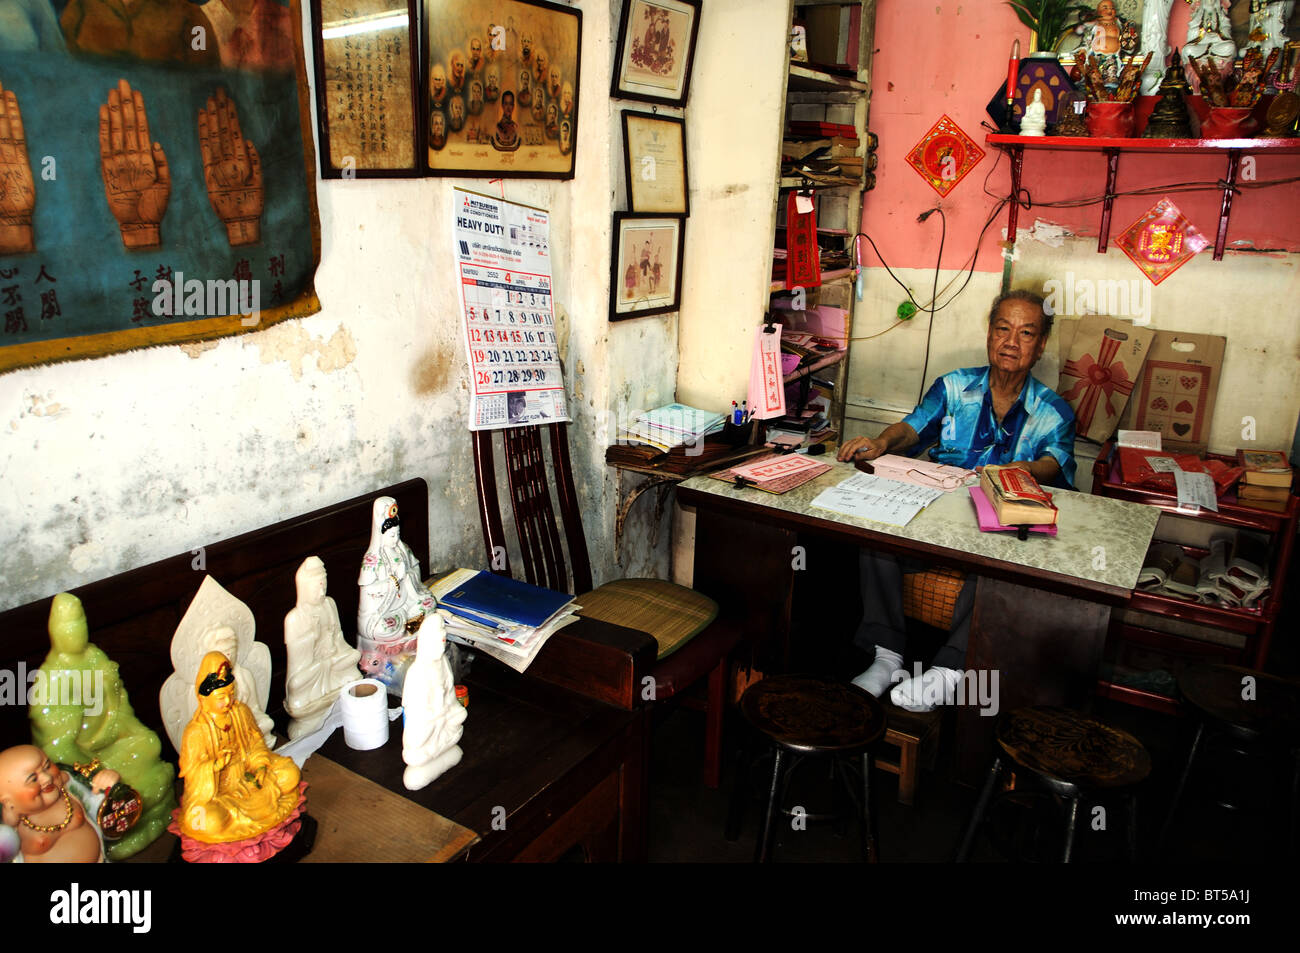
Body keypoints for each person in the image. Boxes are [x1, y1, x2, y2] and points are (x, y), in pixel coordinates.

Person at [837, 290, 1076, 710]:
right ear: (989, 333)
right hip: (934, 520)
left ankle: (949, 669)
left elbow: (1053, 465)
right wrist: (880, 442)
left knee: (1009, 559)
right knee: (876, 532)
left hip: (993, 531)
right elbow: (912, 429)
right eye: (1002, 328)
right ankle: (887, 654)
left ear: (1040, 348)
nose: (1011, 341)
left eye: (1025, 333)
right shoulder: (953, 386)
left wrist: (1012, 472)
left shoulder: (1054, 411)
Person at [178, 652, 301, 843]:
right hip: (219, 792)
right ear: (203, 698)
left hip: (248, 777)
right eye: (220, 697)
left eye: (231, 693)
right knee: (209, 822)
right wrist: (214, 766)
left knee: (289, 774)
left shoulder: (241, 712)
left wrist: (260, 766)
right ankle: (234, 818)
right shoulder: (195, 732)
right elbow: (192, 773)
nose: (228, 701)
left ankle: (252, 807)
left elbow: (255, 744)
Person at [283, 556, 361, 741]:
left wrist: (335, 647)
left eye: (323, 586)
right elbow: (296, 662)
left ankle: (338, 701)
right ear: (303, 588)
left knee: (355, 656)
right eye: (316, 587)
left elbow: (339, 638)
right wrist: (313, 636)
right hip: (311, 670)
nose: (321, 591)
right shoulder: (294, 619)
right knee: (296, 689)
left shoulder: (329, 604)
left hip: (333, 662)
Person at [0, 745, 121, 862]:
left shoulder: (69, 788)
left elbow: (102, 808)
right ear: (8, 801)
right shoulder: (10, 828)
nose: (47, 778)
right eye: (33, 779)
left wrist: (107, 784)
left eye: (47, 766)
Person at [357, 496, 436, 642]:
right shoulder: (373, 559)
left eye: (398, 534)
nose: (395, 539)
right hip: (385, 612)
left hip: (408, 603)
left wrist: (407, 575)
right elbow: (369, 590)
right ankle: (407, 631)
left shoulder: (403, 549)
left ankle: (409, 630)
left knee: (429, 605)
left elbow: (415, 569)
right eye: (392, 535)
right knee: (383, 628)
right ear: (381, 535)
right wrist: (394, 580)